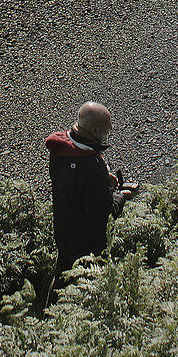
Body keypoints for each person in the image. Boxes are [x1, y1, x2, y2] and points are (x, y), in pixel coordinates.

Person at [46, 100, 137, 277]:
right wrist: (122, 196)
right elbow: (105, 215)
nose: (108, 133)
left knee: (61, 277)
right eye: (106, 129)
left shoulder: (60, 149)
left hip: (64, 235)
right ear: (95, 130)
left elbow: (73, 179)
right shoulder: (91, 168)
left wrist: (104, 176)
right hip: (86, 247)